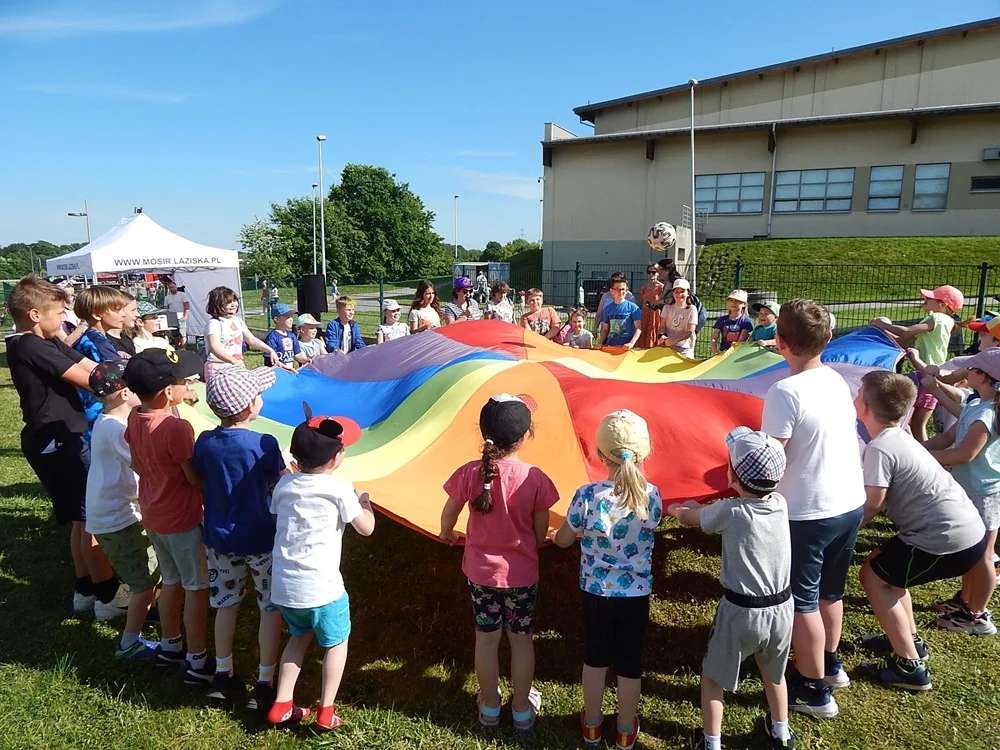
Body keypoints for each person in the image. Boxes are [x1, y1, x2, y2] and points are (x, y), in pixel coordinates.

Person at [760, 299, 865, 718]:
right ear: (829, 339)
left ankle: (812, 688)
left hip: (809, 511)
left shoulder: (785, 392)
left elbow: (771, 462)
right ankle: (829, 662)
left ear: (779, 341)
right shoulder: (836, 380)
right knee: (830, 591)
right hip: (849, 503)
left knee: (802, 601)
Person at [854, 371, 987, 690]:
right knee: (884, 565)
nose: (855, 398)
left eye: (859, 394)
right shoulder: (898, 437)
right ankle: (907, 639)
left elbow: (873, 503)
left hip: (945, 540)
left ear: (866, 407)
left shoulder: (880, 448)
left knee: (872, 576)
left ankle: (910, 667)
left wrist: (844, 533)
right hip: (966, 532)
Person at [669, 427, 795, 750]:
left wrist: (677, 509)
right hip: (781, 610)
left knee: (713, 677)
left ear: (732, 474)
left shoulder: (731, 511)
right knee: (774, 673)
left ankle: (711, 742)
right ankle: (781, 733)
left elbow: (689, 518)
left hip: (740, 612)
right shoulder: (780, 505)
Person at [440, 394, 559, 730]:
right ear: (525, 436)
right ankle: (521, 710)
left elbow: (449, 514)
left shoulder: (468, 473)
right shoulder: (535, 477)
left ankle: (490, 706)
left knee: (487, 638)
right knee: (521, 639)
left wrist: (447, 533)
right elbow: (539, 527)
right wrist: (531, 546)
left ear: (484, 434)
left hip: (480, 574)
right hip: (522, 574)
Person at [4, 275, 119, 618]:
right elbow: (91, 380)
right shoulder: (30, 345)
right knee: (91, 518)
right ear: (36, 314)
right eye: (59, 312)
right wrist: (135, 377)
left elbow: (92, 366)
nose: (64, 319)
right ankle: (108, 597)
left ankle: (85, 591)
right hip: (58, 440)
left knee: (79, 520)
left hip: (61, 435)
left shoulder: (47, 339)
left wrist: (119, 370)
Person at [553, 410, 662, 750]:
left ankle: (592, 725)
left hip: (596, 594)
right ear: (645, 453)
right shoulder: (652, 495)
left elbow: (564, 540)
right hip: (636, 595)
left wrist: (560, 533)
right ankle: (627, 730)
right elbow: (654, 525)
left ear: (599, 455)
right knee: (630, 663)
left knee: (595, 658)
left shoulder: (587, 496)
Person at [267, 416, 376, 729]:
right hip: (323, 590)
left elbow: (277, 511)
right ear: (336, 458)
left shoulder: (284, 484)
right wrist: (364, 500)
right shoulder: (339, 489)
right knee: (336, 643)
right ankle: (326, 711)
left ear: (295, 458)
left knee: (298, 638)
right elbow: (366, 529)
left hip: (285, 588)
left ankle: (282, 703)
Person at [195, 366, 285, 710]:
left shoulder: (205, 442)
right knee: (269, 606)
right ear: (250, 407)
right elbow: (276, 483)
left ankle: (222, 673)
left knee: (225, 604)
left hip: (219, 538)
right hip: (261, 537)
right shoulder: (263, 443)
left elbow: (202, 476)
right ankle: (264, 682)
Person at [123, 349, 213, 683]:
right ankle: (196, 659)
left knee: (171, 581)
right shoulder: (176, 428)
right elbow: (192, 478)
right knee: (196, 586)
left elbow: (136, 461)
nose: (189, 384)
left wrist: (180, 397)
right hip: (181, 519)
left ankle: (170, 644)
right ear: (166, 391)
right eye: (182, 381)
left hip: (153, 513)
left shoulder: (135, 416)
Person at [85, 360, 161, 652]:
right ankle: (129, 643)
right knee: (144, 584)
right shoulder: (116, 430)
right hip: (117, 519)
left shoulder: (108, 422)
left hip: (116, 513)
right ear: (124, 393)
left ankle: (144, 613)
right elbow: (145, 465)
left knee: (149, 572)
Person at [923, 346, 1000, 635]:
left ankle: (977, 615)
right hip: (971, 489)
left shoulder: (987, 415)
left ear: (982, 375)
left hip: (985, 493)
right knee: (972, 551)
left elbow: (964, 453)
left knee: (983, 556)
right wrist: (913, 448)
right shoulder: (978, 405)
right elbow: (949, 435)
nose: (967, 371)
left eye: (972, 367)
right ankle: (966, 600)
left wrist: (923, 458)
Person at [870, 285, 964, 442]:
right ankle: (920, 454)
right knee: (914, 424)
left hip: (927, 374)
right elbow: (903, 339)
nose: (924, 300)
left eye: (929, 298)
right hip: (930, 375)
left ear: (942, 304)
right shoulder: (943, 321)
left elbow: (907, 332)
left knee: (914, 424)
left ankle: (924, 457)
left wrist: (882, 324)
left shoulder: (937, 318)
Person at [206, 286, 280, 382]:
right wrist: (233, 361)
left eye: (234, 301)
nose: (233, 305)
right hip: (219, 367)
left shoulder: (237, 320)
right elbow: (214, 347)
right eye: (228, 302)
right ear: (217, 304)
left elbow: (251, 340)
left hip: (236, 365)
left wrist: (270, 351)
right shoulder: (214, 323)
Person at [598, 277, 642, 350]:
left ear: (627, 290)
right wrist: (600, 342)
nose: (621, 292)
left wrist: (631, 343)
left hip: (627, 348)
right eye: (618, 289)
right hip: (611, 346)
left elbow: (638, 328)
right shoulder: (607, 309)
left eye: (623, 289)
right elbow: (605, 329)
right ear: (611, 291)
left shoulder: (633, 308)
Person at [658, 279, 698, 358]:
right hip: (668, 347)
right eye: (676, 291)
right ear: (673, 293)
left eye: (682, 291)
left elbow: (690, 331)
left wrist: (673, 340)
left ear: (688, 293)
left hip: (685, 348)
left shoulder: (692, 309)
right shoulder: (666, 308)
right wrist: (662, 335)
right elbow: (662, 327)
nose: (679, 294)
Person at [264, 302, 307, 369]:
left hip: (290, 372)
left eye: (292, 317)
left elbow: (297, 354)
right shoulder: (272, 337)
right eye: (288, 317)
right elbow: (270, 360)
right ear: (277, 319)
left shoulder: (292, 336)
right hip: (277, 372)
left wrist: (305, 360)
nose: (291, 319)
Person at [711, 290, 752, 356]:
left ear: (744, 304)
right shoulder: (721, 320)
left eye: (737, 301)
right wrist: (715, 352)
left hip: (738, 354)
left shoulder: (746, 321)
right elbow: (714, 338)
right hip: (723, 353)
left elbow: (741, 341)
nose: (733, 303)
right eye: (731, 300)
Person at [56, 283, 87, 347]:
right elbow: (66, 343)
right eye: (68, 295)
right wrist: (83, 322)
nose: (72, 298)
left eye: (72, 295)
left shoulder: (71, 312)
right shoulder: (55, 316)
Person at [163, 278, 190, 348]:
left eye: (173, 287)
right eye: (170, 287)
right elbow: (166, 308)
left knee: (183, 334)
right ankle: (178, 348)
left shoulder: (182, 295)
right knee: (175, 335)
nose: (172, 289)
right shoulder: (167, 297)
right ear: (169, 288)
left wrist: (185, 316)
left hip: (181, 316)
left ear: (176, 287)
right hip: (172, 317)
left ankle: (183, 348)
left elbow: (187, 306)